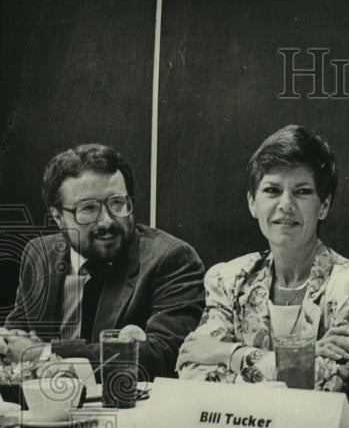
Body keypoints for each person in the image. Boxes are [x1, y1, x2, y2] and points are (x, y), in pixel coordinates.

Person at [176, 125, 349, 392]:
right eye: (272, 190)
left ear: (324, 206)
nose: (286, 204)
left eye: (302, 191)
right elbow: (193, 370)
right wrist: (307, 355)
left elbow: (321, 384)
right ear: (252, 202)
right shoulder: (228, 279)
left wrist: (230, 355)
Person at [4, 143, 205, 379]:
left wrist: (44, 354)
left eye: (117, 203)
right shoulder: (39, 254)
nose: (107, 221)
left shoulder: (171, 259)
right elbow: (15, 338)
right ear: (58, 217)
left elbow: (163, 355)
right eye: (88, 208)